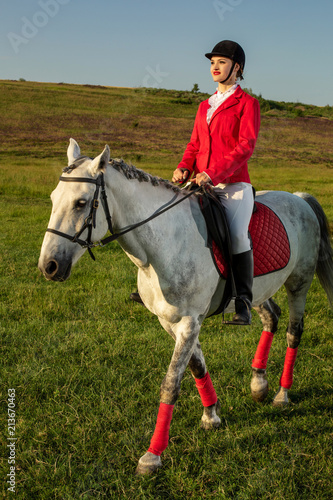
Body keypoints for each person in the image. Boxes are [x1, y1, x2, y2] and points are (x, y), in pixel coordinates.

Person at [172, 40, 260, 325]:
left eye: (221, 62)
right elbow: (195, 143)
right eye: (212, 63)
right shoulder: (204, 106)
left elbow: (245, 146)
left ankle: (243, 302)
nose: (215, 67)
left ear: (237, 68)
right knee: (173, 221)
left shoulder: (247, 104)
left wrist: (213, 173)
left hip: (233, 186)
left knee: (236, 236)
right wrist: (184, 166)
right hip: (200, 184)